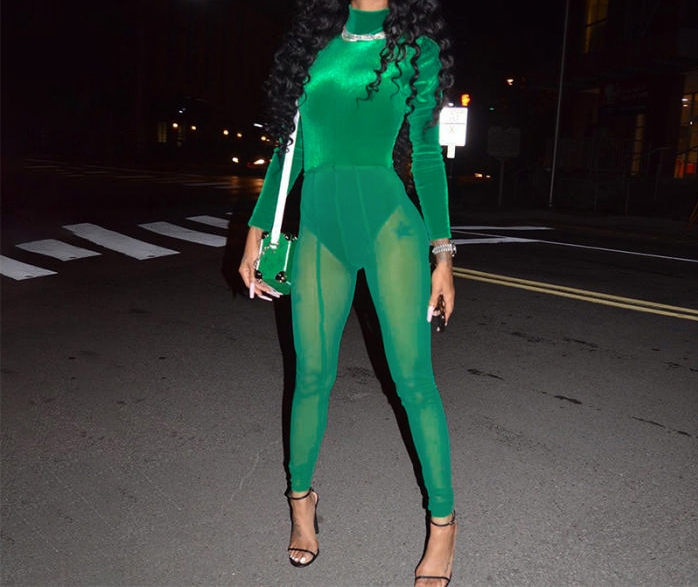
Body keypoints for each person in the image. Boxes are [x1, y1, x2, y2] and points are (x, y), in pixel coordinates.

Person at [239, 0, 457, 584]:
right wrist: (257, 231)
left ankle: (443, 524)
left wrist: (443, 254)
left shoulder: (416, 48)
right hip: (319, 231)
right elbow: (290, 151)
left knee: (413, 380)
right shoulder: (313, 43)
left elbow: (426, 155)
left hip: (392, 229)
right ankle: (301, 502)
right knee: (311, 375)